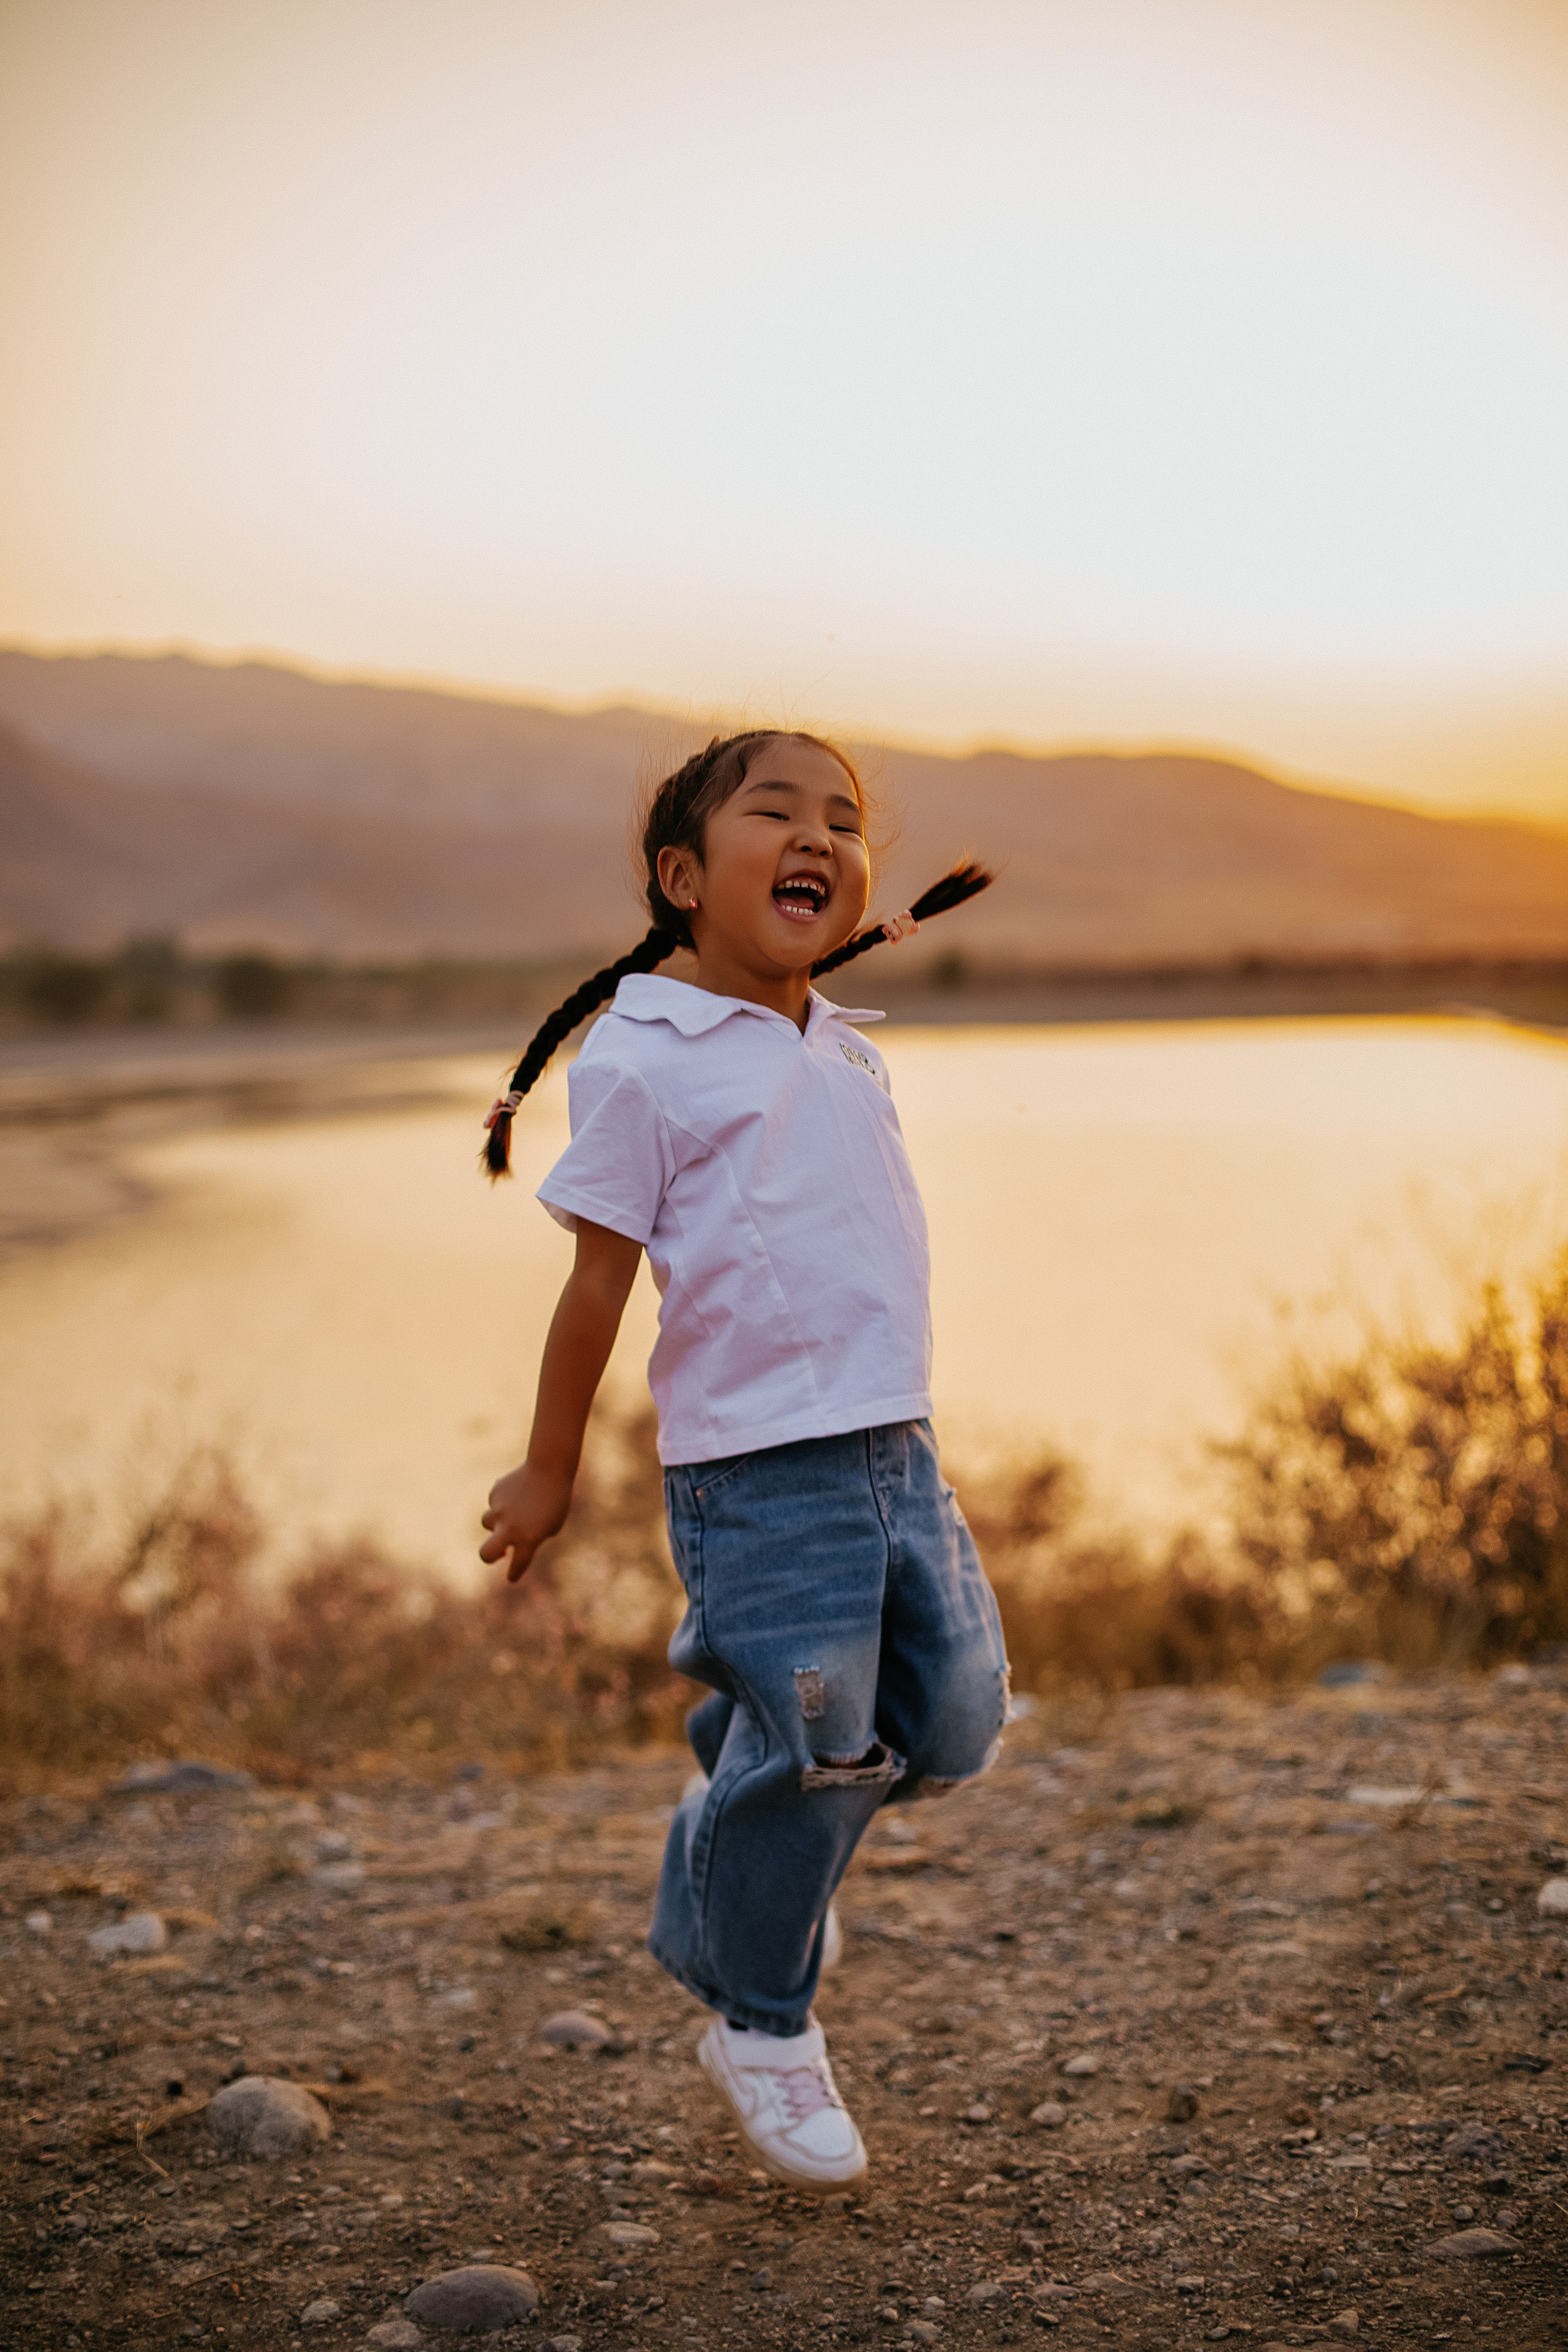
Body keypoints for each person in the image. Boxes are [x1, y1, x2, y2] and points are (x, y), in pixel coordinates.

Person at [478, 728, 1009, 2193]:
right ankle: (760, 2022)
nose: (819, 837)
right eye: (775, 812)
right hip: (758, 1482)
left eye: (843, 820)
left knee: (957, 1721)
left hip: (895, 1451)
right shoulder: (643, 1057)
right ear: (681, 876)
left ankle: (742, 1812)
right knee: (826, 1756)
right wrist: (546, 1471)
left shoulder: (841, 1043)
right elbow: (595, 1286)